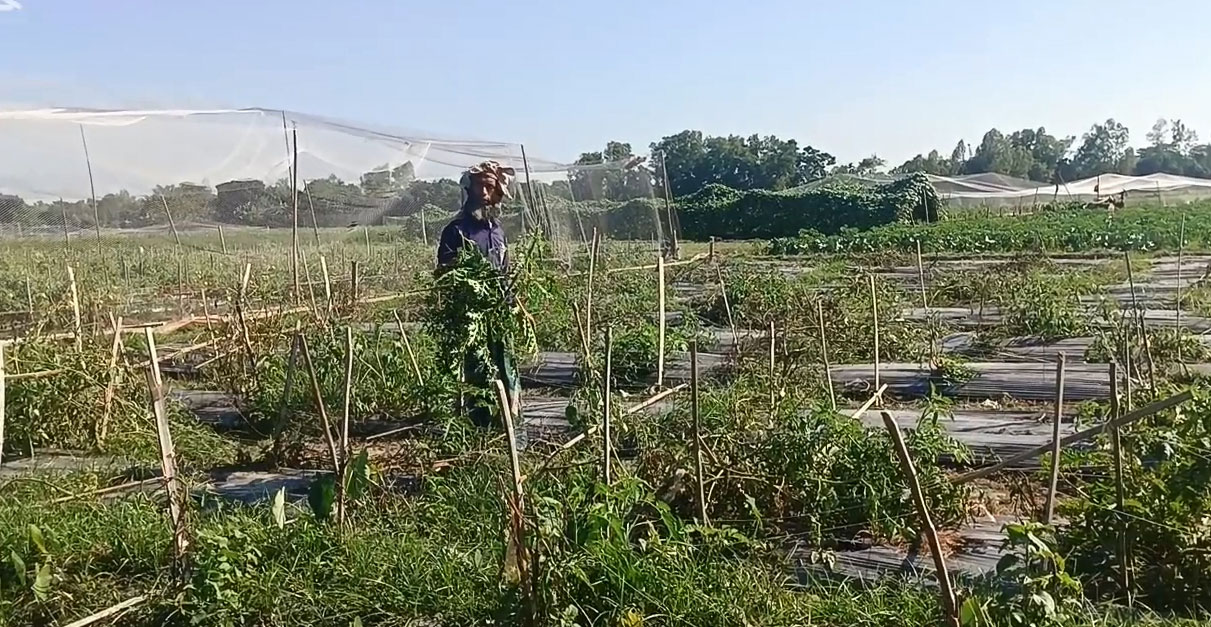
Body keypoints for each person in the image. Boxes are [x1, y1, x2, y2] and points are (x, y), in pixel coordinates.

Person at [435, 161, 524, 442]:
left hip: (500, 314)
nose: (485, 193)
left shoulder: (496, 231)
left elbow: (505, 271)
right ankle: (480, 432)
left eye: (490, 187)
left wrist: (511, 304)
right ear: (468, 188)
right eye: (480, 186)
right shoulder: (456, 231)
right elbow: (445, 274)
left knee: (507, 367)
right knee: (478, 371)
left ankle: (512, 429)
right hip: (471, 316)